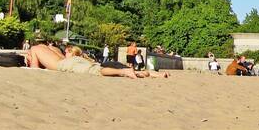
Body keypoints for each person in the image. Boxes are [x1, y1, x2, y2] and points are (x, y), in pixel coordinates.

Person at [26, 44, 166, 79]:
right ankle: (149, 74)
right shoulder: (52, 49)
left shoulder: (35, 49)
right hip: (76, 61)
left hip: (67, 65)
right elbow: (54, 50)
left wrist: (31, 60)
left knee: (96, 71)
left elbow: (34, 68)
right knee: (95, 68)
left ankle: (124, 71)